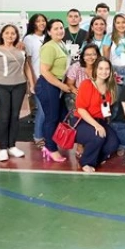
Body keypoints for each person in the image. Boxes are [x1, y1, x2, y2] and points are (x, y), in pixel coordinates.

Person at [0, 24, 36, 162]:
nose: (10, 36)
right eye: (7, 33)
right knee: (3, 117)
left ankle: (12, 146)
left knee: (15, 117)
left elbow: (26, 67)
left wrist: (31, 84)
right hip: (1, 86)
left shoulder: (20, 50)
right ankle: (2, 148)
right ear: (2, 34)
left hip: (19, 86)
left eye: (13, 33)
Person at [73, 57, 119, 172]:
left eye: (107, 69)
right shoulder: (87, 84)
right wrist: (97, 126)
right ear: (96, 70)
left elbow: (106, 109)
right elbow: (81, 109)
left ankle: (96, 158)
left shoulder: (110, 88)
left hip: (100, 120)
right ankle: (86, 162)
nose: (104, 72)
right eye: (101, 68)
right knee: (98, 136)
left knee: (113, 143)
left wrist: (102, 124)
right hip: (82, 121)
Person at [37, 19, 72, 163]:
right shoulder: (49, 47)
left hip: (58, 85)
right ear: (49, 32)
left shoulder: (62, 44)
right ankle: (50, 148)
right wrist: (61, 86)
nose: (60, 31)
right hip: (48, 85)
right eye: (56, 28)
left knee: (62, 116)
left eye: (61, 28)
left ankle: (55, 143)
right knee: (51, 118)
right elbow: (44, 71)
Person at [24, 13, 48, 147]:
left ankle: (47, 136)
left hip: (51, 78)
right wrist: (32, 82)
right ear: (33, 23)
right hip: (39, 78)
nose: (41, 23)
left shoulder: (48, 37)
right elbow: (28, 62)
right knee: (42, 110)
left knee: (49, 111)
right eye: (38, 21)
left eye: (43, 20)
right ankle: (38, 136)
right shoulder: (29, 39)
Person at [103, 14, 125, 87]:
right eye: (118, 23)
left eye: (123, 22)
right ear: (114, 24)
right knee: (117, 94)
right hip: (114, 69)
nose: (121, 25)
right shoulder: (109, 37)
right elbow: (105, 56)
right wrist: (109, 70)